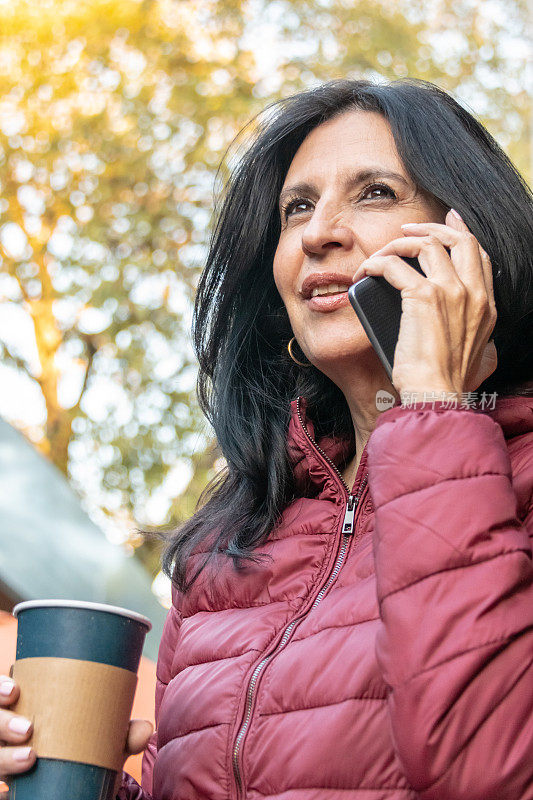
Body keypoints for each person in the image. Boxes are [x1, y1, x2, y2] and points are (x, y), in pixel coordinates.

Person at [1, 78, 532, 799]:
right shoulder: (229, 539)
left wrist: (437, 408)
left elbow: (489, 771)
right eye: (297, 208)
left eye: (374, 192)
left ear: (468, 240)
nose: (318, 233)